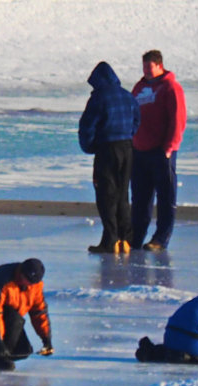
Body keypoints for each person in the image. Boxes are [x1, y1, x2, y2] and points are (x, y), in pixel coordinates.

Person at [78, 61, 140, 254]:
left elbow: (87, 126)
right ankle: (125, 239)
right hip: (127, 149)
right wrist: (128, 136)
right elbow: (137, 120)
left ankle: (110, 239)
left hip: (107, 150)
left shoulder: (99, 98)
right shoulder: (127, 96)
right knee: (123, 195)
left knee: (106, 195)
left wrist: (89, 147)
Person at [129, 49, 187, 252]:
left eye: (149, 66)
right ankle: (135, 237)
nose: (145, 70)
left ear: (159, 65)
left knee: (165, 197)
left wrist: (170, 147)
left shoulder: (170, 87)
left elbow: (178, 119)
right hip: (139, 150)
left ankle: (161, 238)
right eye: (143, 66)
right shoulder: (139, 87)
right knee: (140, 198)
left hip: (161, 151)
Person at [0, 259, 53, 371]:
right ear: (21, 272)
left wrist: (46, 339)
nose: (27, 284)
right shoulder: (4, 277)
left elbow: (38, 311)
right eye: (26, 279)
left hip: (13, 315)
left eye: (31, 282)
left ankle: (4, 355)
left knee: (23, 350)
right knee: (14, 321)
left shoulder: (36, 285)